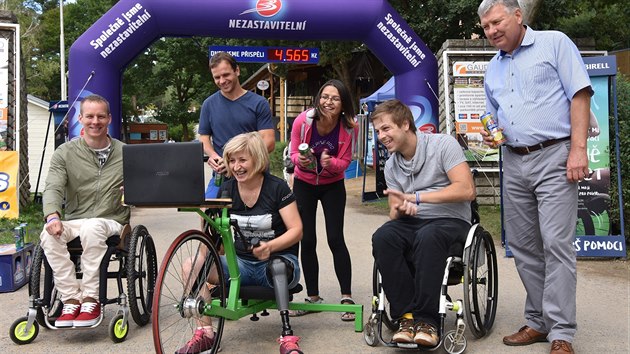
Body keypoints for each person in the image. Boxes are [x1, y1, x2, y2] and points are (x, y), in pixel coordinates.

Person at [478, 1, 592, 353]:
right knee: (524, 246)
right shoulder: (492, 69)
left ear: (517, 15)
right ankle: (539, 321)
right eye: (486, 27)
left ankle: (561, 332)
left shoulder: (554, 42)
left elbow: (579, 94)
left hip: (556, 155)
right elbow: (492, 114)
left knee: (556, 244)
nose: (492, 30)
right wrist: (490, 131)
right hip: (513, 160)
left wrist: (578, 150)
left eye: (497, 22)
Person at [178, 132, 304, 354]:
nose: (236, 166)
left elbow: (297, 230)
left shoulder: (277, 188)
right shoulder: (227, 189)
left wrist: (270, 247)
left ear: (257, 159)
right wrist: (208, 221)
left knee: (278, 265)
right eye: (232, 160)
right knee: (192, 265)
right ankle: (205, 332)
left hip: (278, 262)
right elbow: (215, 234)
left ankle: (287, 336)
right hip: (241, 266)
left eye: (242, 160)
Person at [370, 99, 476, 347]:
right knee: (384, 236)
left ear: (405, 124)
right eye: (377, 131)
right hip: (415, 222)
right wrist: (401, 208)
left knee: (428, 236)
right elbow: (393, 214)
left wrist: (417, 197)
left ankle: (427, 321)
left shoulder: (442, 145)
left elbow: (467, 189)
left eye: (386, 129)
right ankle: (406, 317)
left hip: (451, 221)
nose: (381, 136)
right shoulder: (392, 165)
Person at [39, 94, 129, 328]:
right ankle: (70, 298)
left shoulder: (126, 153)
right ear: (80, 118)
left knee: (93, 227)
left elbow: (148, 184)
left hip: (111, 219)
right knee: (48, 234)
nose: (95, 121)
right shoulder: (65, 153)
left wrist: (133, 189)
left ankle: (91, 298)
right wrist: (53, 216)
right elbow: (53, 187)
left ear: (109, 118)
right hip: (75, 219)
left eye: (101, 116)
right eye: (89, 116)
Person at [288, 79, 357, 320]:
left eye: (335, 99)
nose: (328, 102)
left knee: (335, 238)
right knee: (306, 240)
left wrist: (331, 164)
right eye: (325, 96)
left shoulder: (349, 127)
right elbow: (294, 152)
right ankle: (313, 296)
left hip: (332, 185)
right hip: (304, 184)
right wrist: (301, 161)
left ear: (343, 104)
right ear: (318, 98)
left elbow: (346, 162)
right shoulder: (303, 121)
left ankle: (346, 296)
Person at [198, 51, 275, 198]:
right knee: (206, 212)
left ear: (237, 71)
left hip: (255, 175)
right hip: (222, 175)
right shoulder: (209, 104)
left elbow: (269, 142)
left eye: (226, 75)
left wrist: (241, 162)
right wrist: (213, 156)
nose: (222, 81)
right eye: (217, 77)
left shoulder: (259, 103)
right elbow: (204, 138)